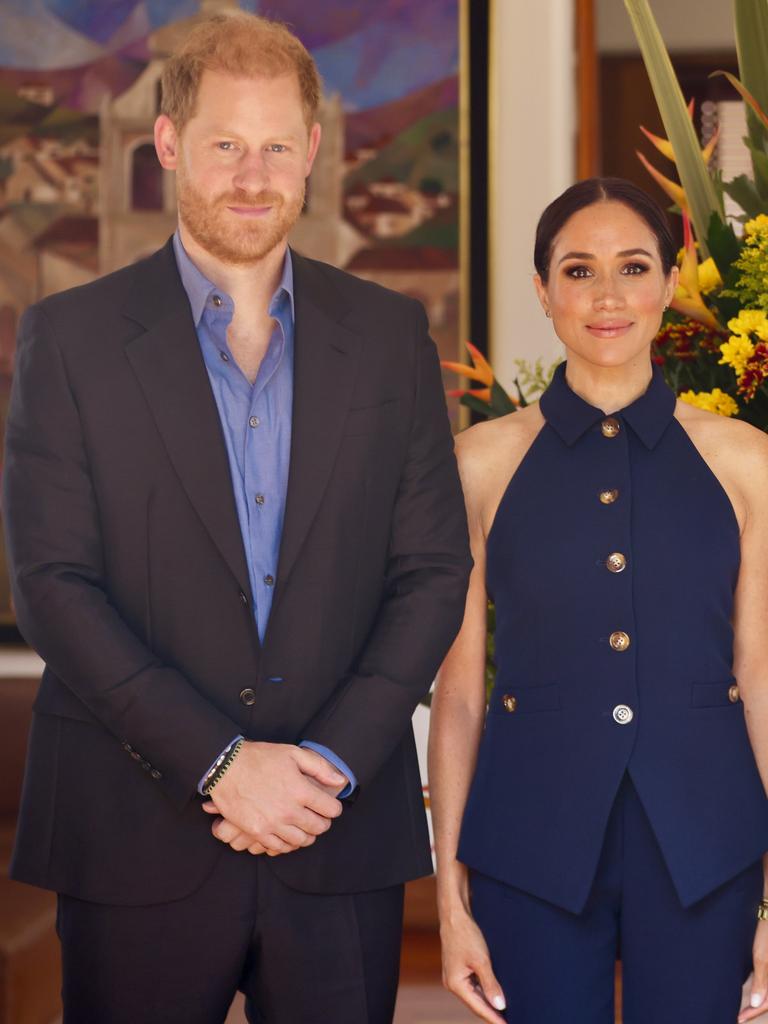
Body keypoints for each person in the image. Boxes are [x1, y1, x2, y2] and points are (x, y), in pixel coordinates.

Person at [3, 12, 472, 1024]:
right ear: (169, 146)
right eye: (224, 145)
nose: (250, 177)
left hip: (336, 826)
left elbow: (432, 569)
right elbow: (51, 583)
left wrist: (328, 765)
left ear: (312, 152)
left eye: (274, 147)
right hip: (134, 831)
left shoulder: (392, 339)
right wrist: (219, 763)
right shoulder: (71, 340)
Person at [429, 177, 768, 1024]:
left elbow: (760, 675)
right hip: (527, 849)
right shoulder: (479, 463)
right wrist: (448, 896)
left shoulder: (745, 461)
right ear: (542, 291)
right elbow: (460, 695)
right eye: (579, 271)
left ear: (669, 285)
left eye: (633, 267)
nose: (608, 296)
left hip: (709, 847)